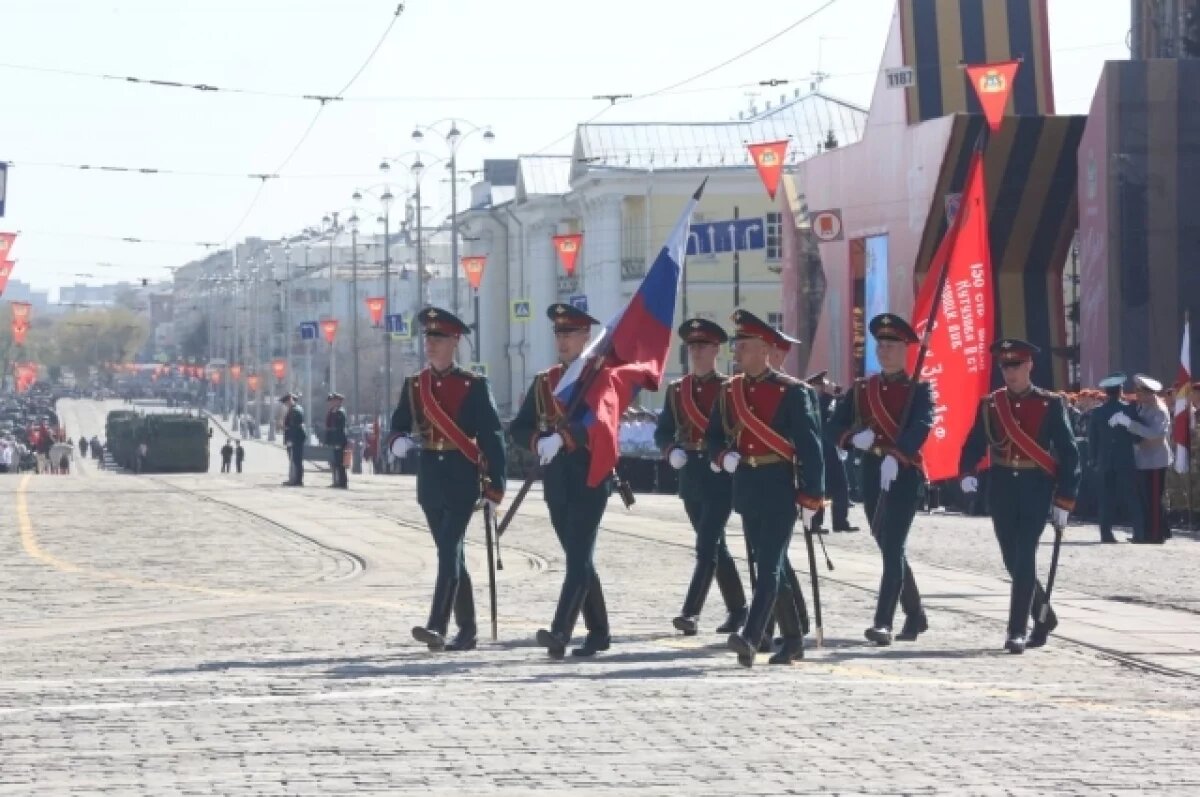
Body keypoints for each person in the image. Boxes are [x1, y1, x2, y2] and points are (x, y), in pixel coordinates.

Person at [706, 309, 824, 667]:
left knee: (769, 564)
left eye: (744, 345)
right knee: (774, 565)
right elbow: (712, 436)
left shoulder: (792, 392)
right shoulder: (730, 391)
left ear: (765, 350)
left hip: (780, 485)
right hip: (747, 483)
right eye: (737, 344)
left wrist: (812, 495)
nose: (737, 351)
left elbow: (810, 446)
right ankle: (792, 640)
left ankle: (752, 635)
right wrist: (723, 456)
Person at [390, 307, 506, 652]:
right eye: (428, 337)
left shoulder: (474, 385)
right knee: (450, 553)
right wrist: (397, 440)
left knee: (448, 551)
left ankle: (437, 625)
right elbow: (399, 422)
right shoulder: (415, 385)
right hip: (430, 478)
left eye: (438, 338)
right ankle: (467, 630)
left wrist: (495, 484)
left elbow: (492, 437)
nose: (431, 344)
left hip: (461, 476)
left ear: (455, 341)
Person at [959, 339, 1080, 653]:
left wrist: (1065, 498)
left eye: (1016, 365)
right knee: (1011, 560)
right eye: (1005, 366)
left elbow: (1069, 452)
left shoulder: (1050, 403)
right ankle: (1044, 616)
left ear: (1029, 366)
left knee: (1025, 555)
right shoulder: (990, 404)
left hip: (1035, 487)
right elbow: (974, 443)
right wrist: (968, 473)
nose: (1010, 372)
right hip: (1001, 488)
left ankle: (1016, 630)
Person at [510, 303, 613, 659]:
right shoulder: (545, 381)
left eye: (570, 333)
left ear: (587, 336)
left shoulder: (600, 377)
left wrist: (567, 438)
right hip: (556, 480)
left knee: (579, 555)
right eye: (559, 333)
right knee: (577, 556)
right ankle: (599, 631)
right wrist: (539, 442)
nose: (563, 339)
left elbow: (600, 420)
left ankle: (560, 631)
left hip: (590, 476)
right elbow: (519, 428)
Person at [827, 314, 932, 646]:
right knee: (888, 545)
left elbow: (922, 426)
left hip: (903, 474)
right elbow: (832, 425)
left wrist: (896, 454)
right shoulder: (862, 389)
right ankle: (915, 614)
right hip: (872, 473)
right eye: (881, 345)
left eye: (891, 345)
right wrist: (851, 437)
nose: (884, 350)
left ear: (906, 349)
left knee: (893, 546)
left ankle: (883, 622)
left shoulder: (919, 389)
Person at [654, 318, 748, 636]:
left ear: (716, 350)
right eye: (692, 346)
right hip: (691, 472)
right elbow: (663, 431)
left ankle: (690, 612)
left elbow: (740, 429)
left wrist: (731, 455)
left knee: (706, 544)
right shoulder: (677, 390)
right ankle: (739, 609)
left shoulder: (730, 388)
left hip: (719, 471)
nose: (696, 352)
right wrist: (670, 451)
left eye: (703, 346)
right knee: (715, 546)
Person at [1087, 374, 1145, 542]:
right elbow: (1138, 437)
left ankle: (1106, 533)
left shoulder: (1097, 412)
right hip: (1125, 460)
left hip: (1104, 461)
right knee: (1132, 497)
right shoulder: (1129, 409)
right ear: (1120, 390)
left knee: (1105, 498)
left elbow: (1093, 439)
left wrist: (1092, 459)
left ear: (1105, 392)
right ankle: (1139, 533)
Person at [1120, 374, 1172, 544]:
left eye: (1140, 393)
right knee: (1146, 498)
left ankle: (1156, 535)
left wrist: (1130, 424)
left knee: (1154, 499)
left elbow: (1156, 434)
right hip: (1144, 459)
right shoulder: (1144, 406)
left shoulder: (1159, 409)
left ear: (1150, 393)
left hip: (1156, 460)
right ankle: (1149, 532)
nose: (1137, 396)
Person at [808, 371, 858, 533]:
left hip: (832, 449)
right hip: (816, 451)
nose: (822, 386)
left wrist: (838, 397)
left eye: (823, 384)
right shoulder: (808, 402)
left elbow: (838, 416)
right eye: (819, 384)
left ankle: (840, 521)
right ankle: (815, 522)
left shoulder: (830, 400)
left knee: (841, 487)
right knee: (819, 488)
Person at [280, 393, 306, 487]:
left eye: (286, 402)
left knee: (296, 460)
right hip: (294, 438)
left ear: (290, 400)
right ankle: (294, 478)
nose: (286, 404)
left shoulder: (295, 411)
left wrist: (291, 439)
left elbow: (293, 427)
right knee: (293, 459)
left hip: (295, 438)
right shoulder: (293, 410)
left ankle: (297, 480)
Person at [325, 392, 349, 489]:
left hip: (339, 439)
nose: (332, 402)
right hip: (333, 440)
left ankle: (342, 482)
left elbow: (338, 427)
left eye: (334, 400)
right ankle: (336, 481)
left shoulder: (340, 412)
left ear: (339, 401)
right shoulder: (332, 411)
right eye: (331, 401)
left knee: (339, 462)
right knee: (334, 462)